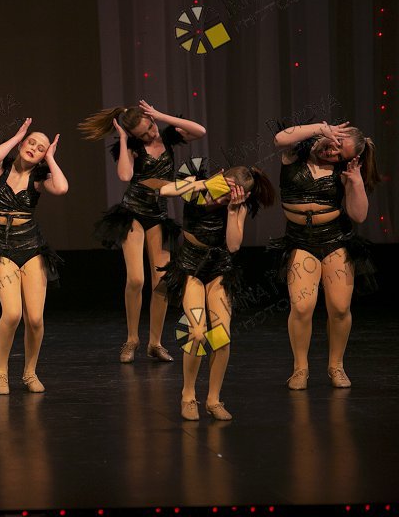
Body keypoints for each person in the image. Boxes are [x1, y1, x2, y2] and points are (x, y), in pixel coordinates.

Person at [79, 100, 206, 363]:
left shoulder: (168, 136)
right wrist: (126, 140)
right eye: (143, 134)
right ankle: (132, 339)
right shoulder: (133, 147)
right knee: (136, 279)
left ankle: (155, 343)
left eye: (150, 127)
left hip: (159, 216)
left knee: (162, 282)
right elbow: (125, 176)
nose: (150, 134)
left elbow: (200, 131)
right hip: (133, 214)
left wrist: (161, 115)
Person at [158, 164, 275, 420]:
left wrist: (232, 211)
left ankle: (213, 399)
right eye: (223, 191)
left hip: (220, 269)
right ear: (220, 179)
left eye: (230, 196)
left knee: (222, 336)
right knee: (197, 332)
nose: (222, 199)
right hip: (190, 268)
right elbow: (165, 190)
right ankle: (188, 395)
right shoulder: (196, 188)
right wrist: (204, 184)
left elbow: (233, 246)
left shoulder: (237, 207)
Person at [271, 121, 379, 390]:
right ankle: (300, 368)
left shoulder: (344, 171)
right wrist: (320, 127)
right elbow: (279, 138)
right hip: (300, 241)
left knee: (340, 308)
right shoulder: (296, 151)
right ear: (335, 133)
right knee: (302, 307)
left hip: (335, 240)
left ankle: (336, 366)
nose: (333, 153)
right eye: (336, 145)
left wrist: (355, 182)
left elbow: (359, 215)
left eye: (340, 155)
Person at [0, 118, 68, 394]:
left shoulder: (38, 180)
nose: (33, 148)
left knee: (35, 319)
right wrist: (17, 136)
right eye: (31, 143)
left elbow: (62, 188)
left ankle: (30, 372)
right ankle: (1, 370)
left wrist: (50, 159)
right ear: (21, 144)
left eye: (40, 148)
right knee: (12, 313)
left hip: (31, 248)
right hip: (2, 249)